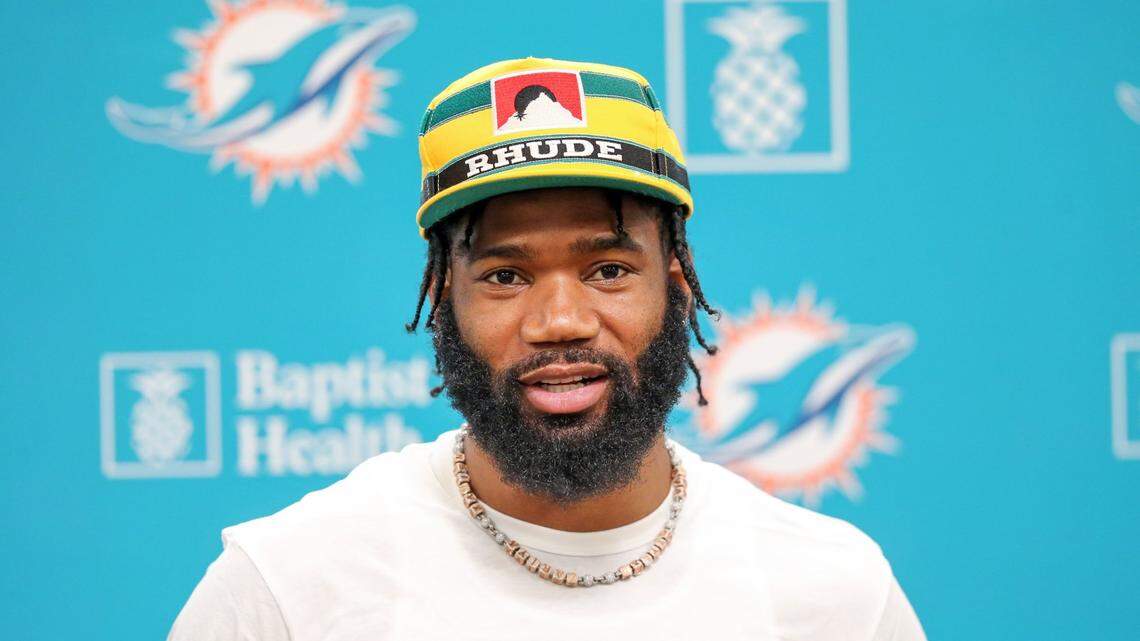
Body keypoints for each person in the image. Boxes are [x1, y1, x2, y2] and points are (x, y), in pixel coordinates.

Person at [168, 56, 926, 641]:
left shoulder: (835, 593)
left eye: (607, 269)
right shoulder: (291, 589)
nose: (560, 318)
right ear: (442, 300)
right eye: (505, 273)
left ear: (677, 285)